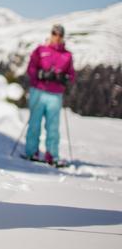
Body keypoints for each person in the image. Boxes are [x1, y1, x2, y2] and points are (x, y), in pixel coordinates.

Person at [25, 24, 75, 166]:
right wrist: (41, 74)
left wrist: (64, 78)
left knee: (53, 127)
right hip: (39, 91)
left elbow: (71, 74)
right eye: (55, 33)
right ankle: (31, 152)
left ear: (62, 36)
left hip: (55, 95)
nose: (57, 37)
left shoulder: (67, 55)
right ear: (51, 34)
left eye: (60, 34)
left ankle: (52, 155)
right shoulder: (40, 50)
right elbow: (31, 68)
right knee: (34, 123)